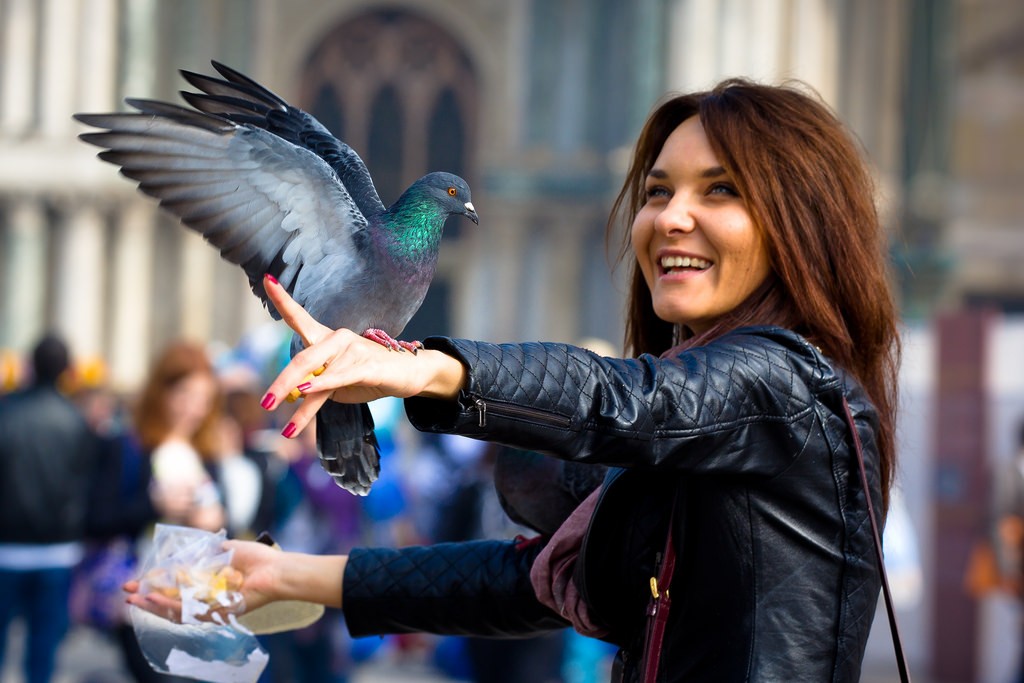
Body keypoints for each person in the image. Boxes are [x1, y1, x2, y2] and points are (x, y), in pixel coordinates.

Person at [128, 79, 901, 682]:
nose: (669, 216)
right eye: (659, 189)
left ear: (799, 222)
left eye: (720, 189)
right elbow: (526, 581)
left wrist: (423, 367)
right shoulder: (711, 429)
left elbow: (625, 401)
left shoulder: (792, 385)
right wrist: (290, 574)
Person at [0, 334, 99, 683]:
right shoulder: (76, 420)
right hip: (57, 550)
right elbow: (85, 485)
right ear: (67, 371)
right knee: (42, 655)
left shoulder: (6, 413)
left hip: (7, 548)